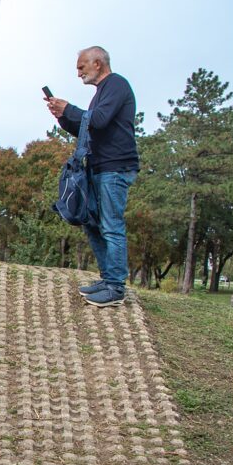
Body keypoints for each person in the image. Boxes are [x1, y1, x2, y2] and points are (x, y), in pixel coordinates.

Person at [47, 45, 139, 307]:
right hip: (98, 168)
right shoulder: (101, 93)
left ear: (97, 63)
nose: (78, 73)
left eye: (81, 67)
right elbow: (89, 129)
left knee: (111, 225)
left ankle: (116, 287)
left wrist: (70, 109)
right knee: (93, 223)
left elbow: (97, 120)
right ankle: (108, 279)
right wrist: (63, 118)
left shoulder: (116, 84)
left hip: (115, 168)